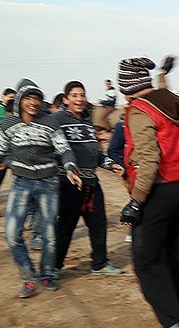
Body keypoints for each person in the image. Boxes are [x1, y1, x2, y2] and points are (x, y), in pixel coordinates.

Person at [117, 56, 179, 328]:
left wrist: (136, 200)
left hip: (158, 191)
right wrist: (163, 76)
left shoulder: (139, 111)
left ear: (127, 87)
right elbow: (164, 96)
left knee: (146, 261)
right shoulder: (170, 103)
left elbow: (149, 160)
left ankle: (173, 327)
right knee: (175, 259)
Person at [0, 79, 81, 298]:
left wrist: (70, 167)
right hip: (21, 183)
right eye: (28, 98)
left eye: (36, 98)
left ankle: (47, 274)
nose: (33, 103)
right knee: (12, 233)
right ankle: (28, 277)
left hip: (49, 183)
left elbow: (65, 149)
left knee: (49, 235)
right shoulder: (8, 125)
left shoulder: (50, 122)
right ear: (20, 100)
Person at [53, 80, 125, 279]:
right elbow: (55, 150)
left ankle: (99, 263)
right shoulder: (58, 120)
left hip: (91, 183)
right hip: (69, 183)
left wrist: (110, 164)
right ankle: (54, 266)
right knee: (66, 226)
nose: (79, 99)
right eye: (74, 96)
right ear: (66, 99)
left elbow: (95, 153)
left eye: (82, 95)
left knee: (98, 223)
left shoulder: (87, 120)